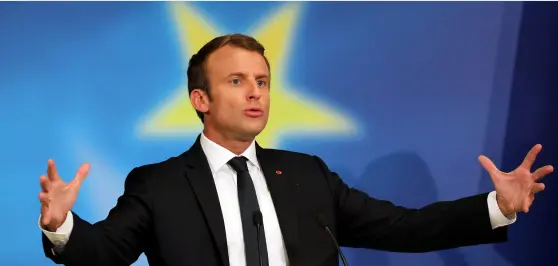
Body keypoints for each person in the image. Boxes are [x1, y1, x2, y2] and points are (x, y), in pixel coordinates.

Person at [38, 34, 553, 266]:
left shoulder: (306, 174)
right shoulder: (158, 184)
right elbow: (105, 254)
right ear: (202, 100)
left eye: (262, 80)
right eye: (237, 80)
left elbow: (403, 228)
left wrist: (496, 206)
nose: (255, 92)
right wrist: (62, 226)